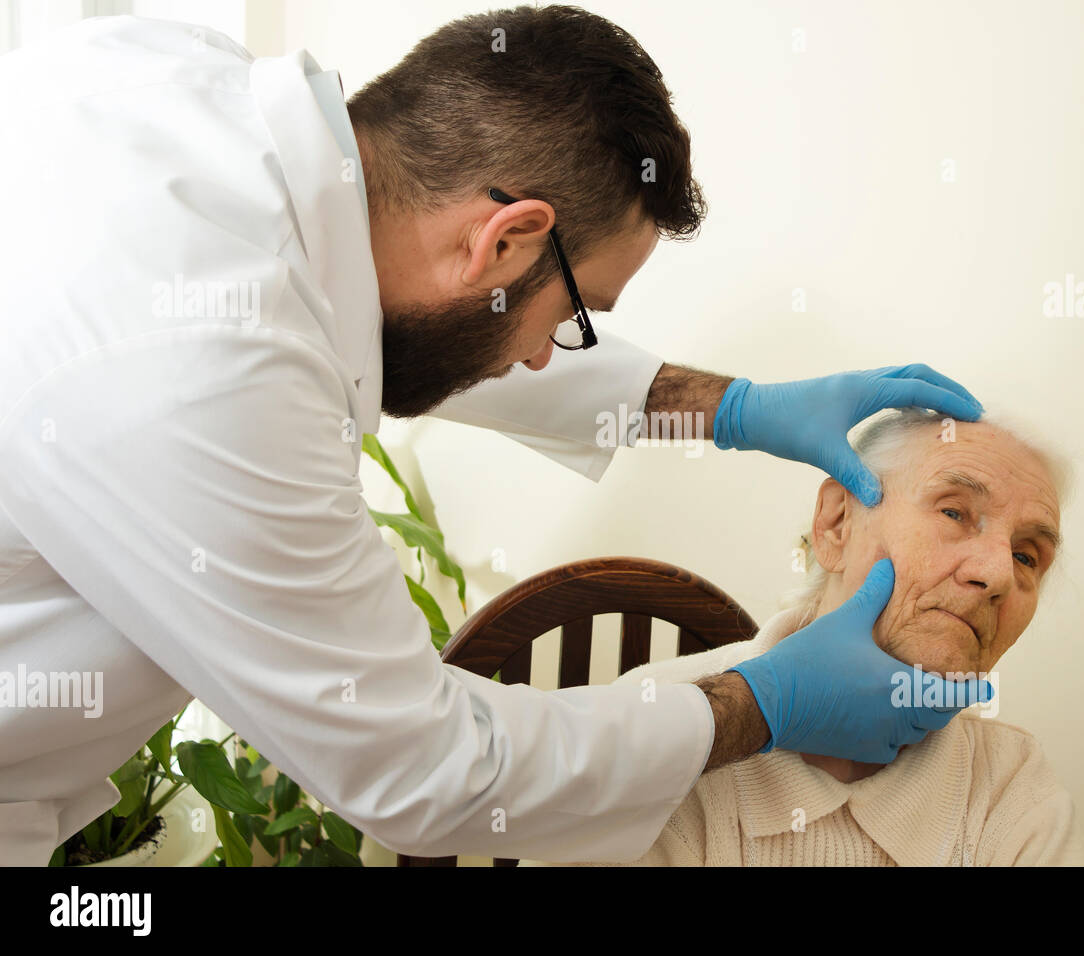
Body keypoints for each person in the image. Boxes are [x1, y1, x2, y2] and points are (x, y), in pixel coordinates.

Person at [0, 7, 984, 866]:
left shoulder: (166, 88)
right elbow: (421, 771)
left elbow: (390, 324)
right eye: (571, 315)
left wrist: (732, 407)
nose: (552, 357)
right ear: (504, 236)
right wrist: (763, 704)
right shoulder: (200, 370)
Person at [524, 409, 1084, 865]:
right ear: (837, 523)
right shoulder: (655, 729)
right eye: (954, 512)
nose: (997, 574)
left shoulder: (1009, 784)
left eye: (1026, 556)